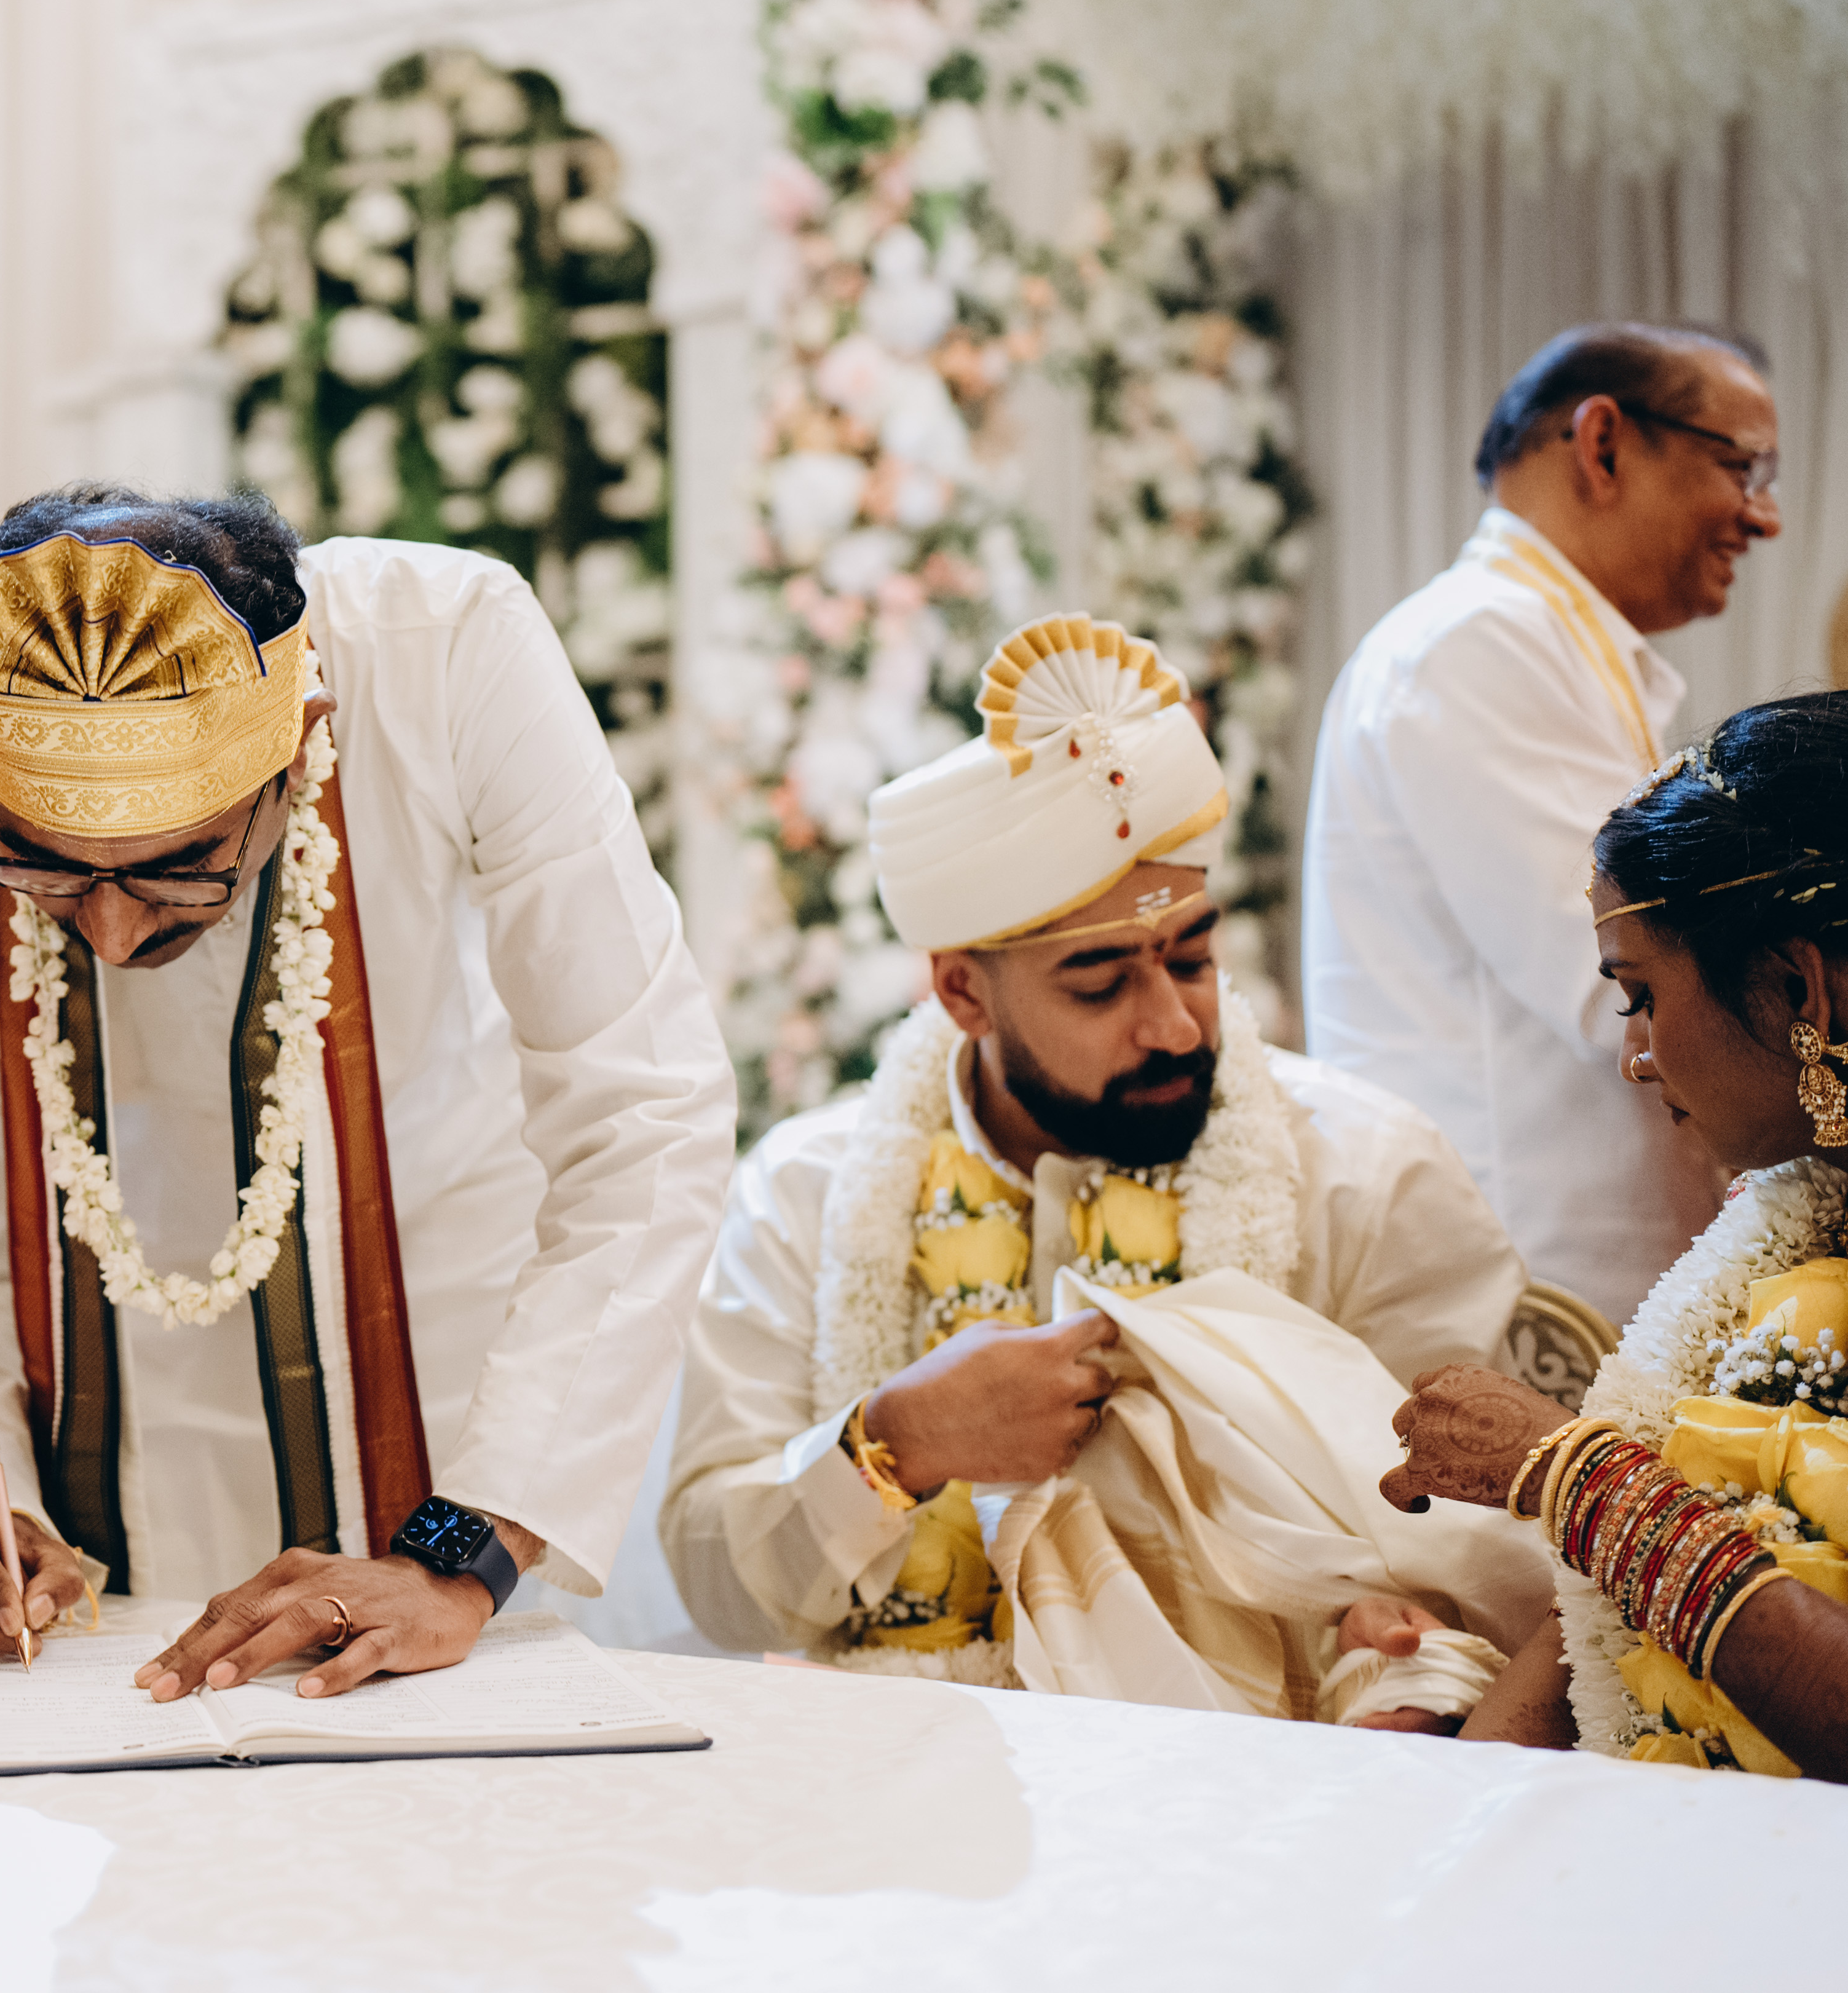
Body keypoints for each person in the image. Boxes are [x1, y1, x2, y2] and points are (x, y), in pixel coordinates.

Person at [0, 486, 733, 1700]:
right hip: (127, 1460)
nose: (113, 931)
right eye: (46, 871)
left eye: (177, 868)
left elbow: (645, 1115)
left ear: (297, 745)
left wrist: (463, 1552)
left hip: (480, 1398)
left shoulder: (446, 649)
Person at [661, 615, 1538, 1723]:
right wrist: (895, 1442)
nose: (1172, 1025)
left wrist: (1390, 1650)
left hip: (1251, 1777)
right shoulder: (806, 1193)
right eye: (1099, 983)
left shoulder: (1366, 1174)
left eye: (1191, 958)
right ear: (962, 994)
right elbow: (712, 1583)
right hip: (893, 1766)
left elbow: (1482, 1556)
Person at [1386, 695, 1848, 1782]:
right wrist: (1438, 1836)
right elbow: (1591, 1627)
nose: (1633, 1056)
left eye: (1639, 995)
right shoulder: (1785, 1218)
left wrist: (1579, 1482)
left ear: (1798, 989)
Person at [1303, 322, 1782, 1317]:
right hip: (1525, 1285)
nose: (1761, 516)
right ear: (1600, 444)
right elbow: (1624, 979)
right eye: (1739, 466)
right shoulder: (1476, 645)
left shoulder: (1536, 640)